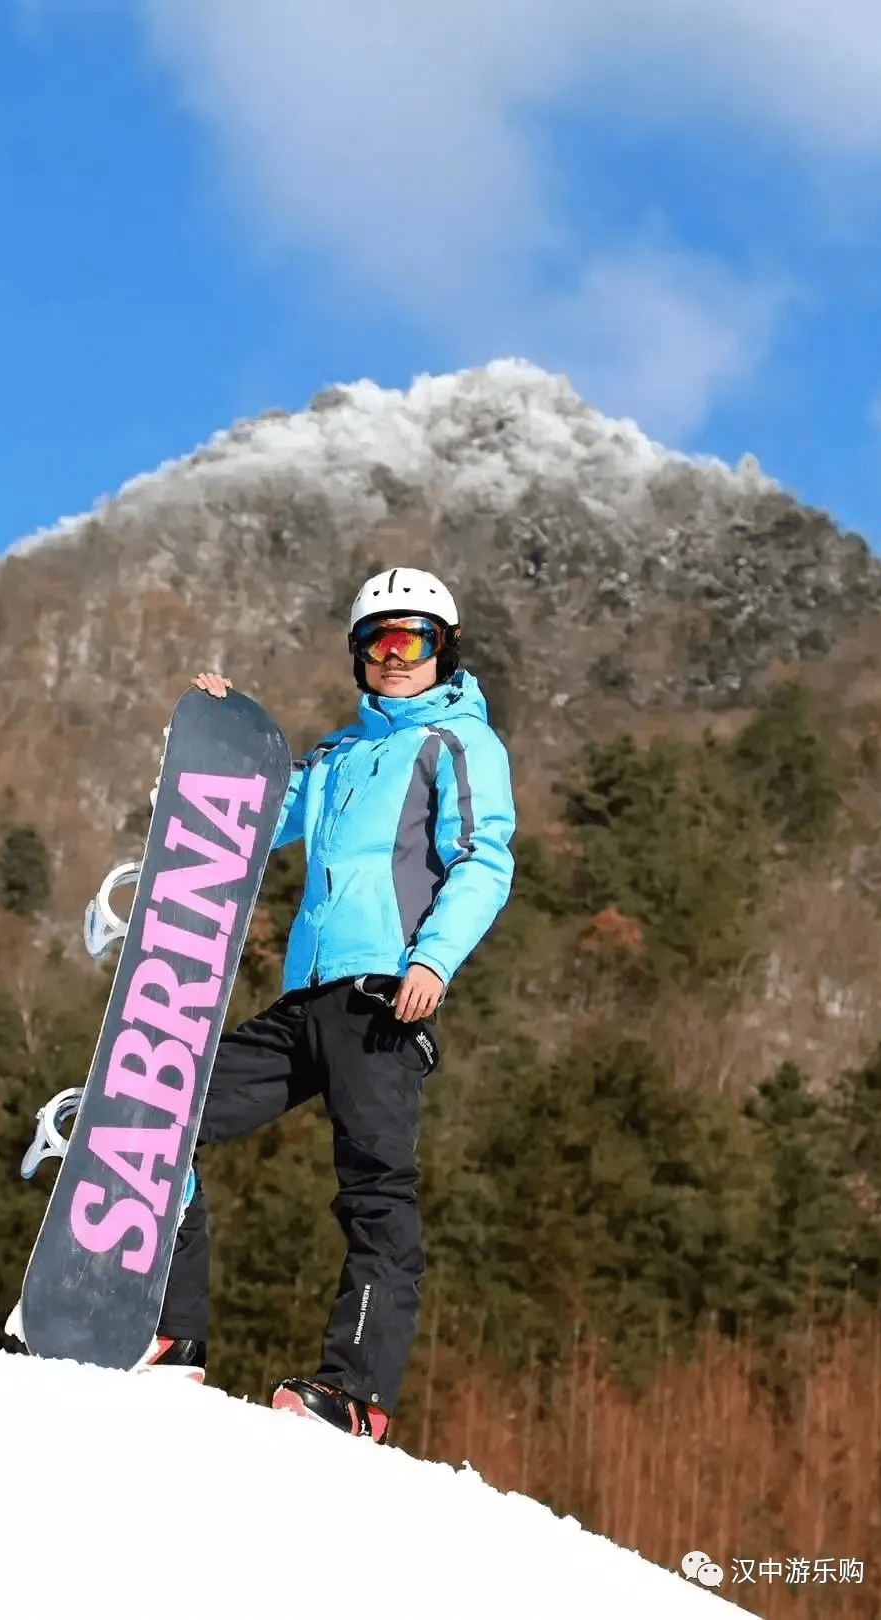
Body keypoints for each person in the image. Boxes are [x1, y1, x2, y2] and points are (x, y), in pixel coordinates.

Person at [147, 567, 516, 1442]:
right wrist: (222, 739)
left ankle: (355, 1396)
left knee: (375, 1191)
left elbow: (484, 861)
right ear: (358, 656)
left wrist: (432, 961)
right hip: (306, 1000)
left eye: (413, 640)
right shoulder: (338, 757)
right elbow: (245, 821)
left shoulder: (459, 744)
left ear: (443, 650)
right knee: (164, 1111)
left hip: (388, 996)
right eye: (379, 642)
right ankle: (170, 1330)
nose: (395, 657)